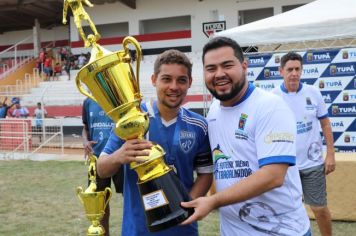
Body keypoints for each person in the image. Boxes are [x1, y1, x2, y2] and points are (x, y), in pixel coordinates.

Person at [181, 37, 311, 236]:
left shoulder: (270, 107)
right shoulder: (214, 109)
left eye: (227, 65)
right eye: (211, 68)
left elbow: (273, 176)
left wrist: (214, 200)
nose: (219, 74)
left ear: (244, 66)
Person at [97, 49, 213, 236]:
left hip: (183, 230)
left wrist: (184, 205)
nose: (174, 87)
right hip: (138, 230)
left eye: (181, 80)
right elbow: (101, 169)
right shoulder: (131, 120)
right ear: (154, 80)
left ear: (189, 83)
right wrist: (119, 156)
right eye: (166, 79)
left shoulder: (199, 126)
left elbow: (206, 174)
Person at [272, 52, 335, 236]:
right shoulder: (273, 97)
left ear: (302, 71)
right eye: (290, 69)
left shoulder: (313, 92)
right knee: (286, 212)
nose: (294, 73)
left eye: (297, 69)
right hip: (285, 166)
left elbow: (325, 123)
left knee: (320, 210)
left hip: (312, 164)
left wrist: (330, 154)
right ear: (281, 71)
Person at [82, 97, 124, 236]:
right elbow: (85, 129)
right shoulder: (88, 102)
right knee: (100, 205)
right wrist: (85, 141)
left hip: (120, 157)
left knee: (131, 197)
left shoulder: (117, 97)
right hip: (96, 160)